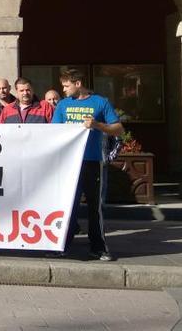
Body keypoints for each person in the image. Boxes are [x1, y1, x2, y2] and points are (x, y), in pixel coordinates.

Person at [52, 68, 124, 262]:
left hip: (93, 161)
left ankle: (98, 247)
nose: (64, 90)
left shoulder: (100, 102)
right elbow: (54, 132)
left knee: (95, 206)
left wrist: (97, 125)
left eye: (66, 86)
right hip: (69, 163)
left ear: (78, 84)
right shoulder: (63, 105)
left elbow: (118, 129)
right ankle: (61, 245)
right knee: (67, 204)